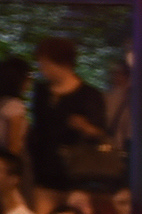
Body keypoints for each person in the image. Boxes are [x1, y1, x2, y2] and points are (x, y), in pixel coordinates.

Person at [22, 39, 119, 204]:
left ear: (62, 64)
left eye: (45, 63)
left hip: (76, 173)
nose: (41, 68)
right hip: (44, 171)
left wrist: (84, 127)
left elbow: (99, 131)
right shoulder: (41, 91)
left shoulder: (89, 95)